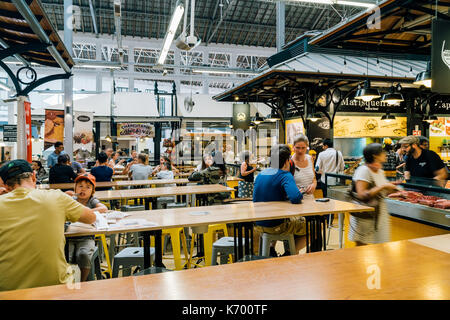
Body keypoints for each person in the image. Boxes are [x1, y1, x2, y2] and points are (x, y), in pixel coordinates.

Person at [0, 159, 96, 291]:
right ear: (34, 176)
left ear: (5, 185)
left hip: (8, 291)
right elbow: (91, 217)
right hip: (56, 286)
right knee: (77, 272)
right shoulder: (57, 197)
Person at [253, 144, 305, 256]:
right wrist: (298, 192)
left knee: (279, 215)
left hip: (258, 224)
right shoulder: (285, 175)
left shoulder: (261, 174)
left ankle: (271, 248)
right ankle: (290, 253)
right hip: (276, 225)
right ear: (287, 161)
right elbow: (295, 198)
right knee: (314, 225)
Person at [349, 143, 400, 246]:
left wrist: (392, 189)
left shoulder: (380, 171)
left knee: (379, 248)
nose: (385, 154)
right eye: (382, 151)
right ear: (375, 155)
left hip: (379, 215)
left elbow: (380, 192)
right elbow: (362, 194)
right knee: (362, 250)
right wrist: (384, 186)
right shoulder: (363, 170)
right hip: (365, 216)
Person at [64, 174, 107, 282]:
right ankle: (69, 281)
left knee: (83, 254)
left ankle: (82, 282)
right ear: (75, 188)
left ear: (92, 191)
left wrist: (86, 213)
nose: (83, 189)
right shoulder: (72, 199)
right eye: (80, 186)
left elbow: (104, 208)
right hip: (68, 237)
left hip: (86, 237)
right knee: (66, 256)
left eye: (88, 187)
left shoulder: (92, 200)